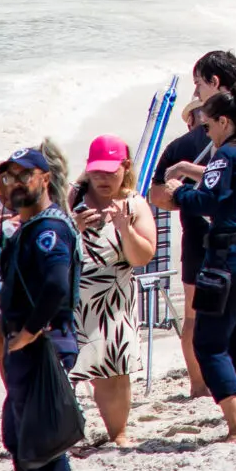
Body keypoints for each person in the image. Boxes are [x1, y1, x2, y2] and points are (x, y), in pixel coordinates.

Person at [154, 90, 236, 439]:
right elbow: (229, 193)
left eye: (207, 126)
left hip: (230, 259)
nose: (205, 133)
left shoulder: (226, 156)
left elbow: (208, 200)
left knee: (208, 344)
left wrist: (177, 192)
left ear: (225, 122)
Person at [0, 147, 78, 471]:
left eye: (25, 175)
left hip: (44, 341)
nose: (16, 183)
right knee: (18, 428)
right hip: (20, 340)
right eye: (9, 177)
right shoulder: (22, 228)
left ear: (45, 178)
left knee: (44, 431)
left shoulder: (49, 229)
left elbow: (57, 285)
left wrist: (30, 332)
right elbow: (9, 285)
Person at [68, 136, 156, 445]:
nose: (102, 179)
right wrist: (71, 228)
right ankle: (66, 431)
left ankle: (118, 433)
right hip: (73, 298)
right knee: (68, 368)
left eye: (109, 172)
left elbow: (142, 258)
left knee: (114, 369)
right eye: (96, 173)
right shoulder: (72, 200)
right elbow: (47, 245)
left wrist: (125, 228)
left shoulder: (135, 204)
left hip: (115, 300)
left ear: (125, 167)